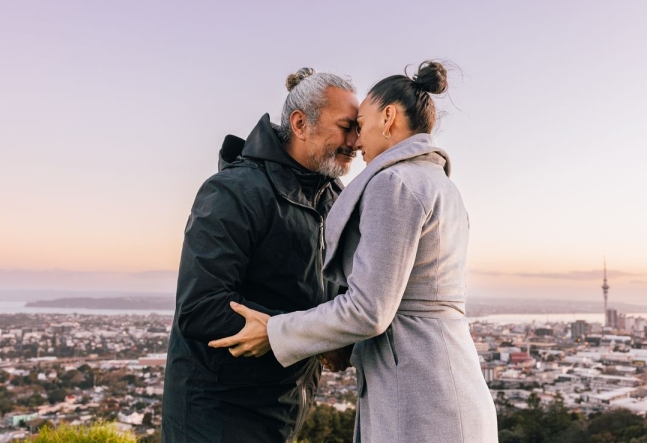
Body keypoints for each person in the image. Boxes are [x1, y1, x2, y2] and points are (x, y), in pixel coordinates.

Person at [209, 61, 499, 442]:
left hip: (420, 398)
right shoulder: (439, 185)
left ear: (389, 117)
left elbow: (368, 310)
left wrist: (276, 331)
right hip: (443, 387)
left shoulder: (393, 182)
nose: (357, 142)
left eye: (359, 125)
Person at [162, 68, 359, 443]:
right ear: (300, 124)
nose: (356, 141)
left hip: (284, 406)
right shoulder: (234, 190)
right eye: (346, 127)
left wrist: (330, 339)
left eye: (358, 129)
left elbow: (331, 295)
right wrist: (309, 337)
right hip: (215, 414)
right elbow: (201, 307)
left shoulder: (335, 199)